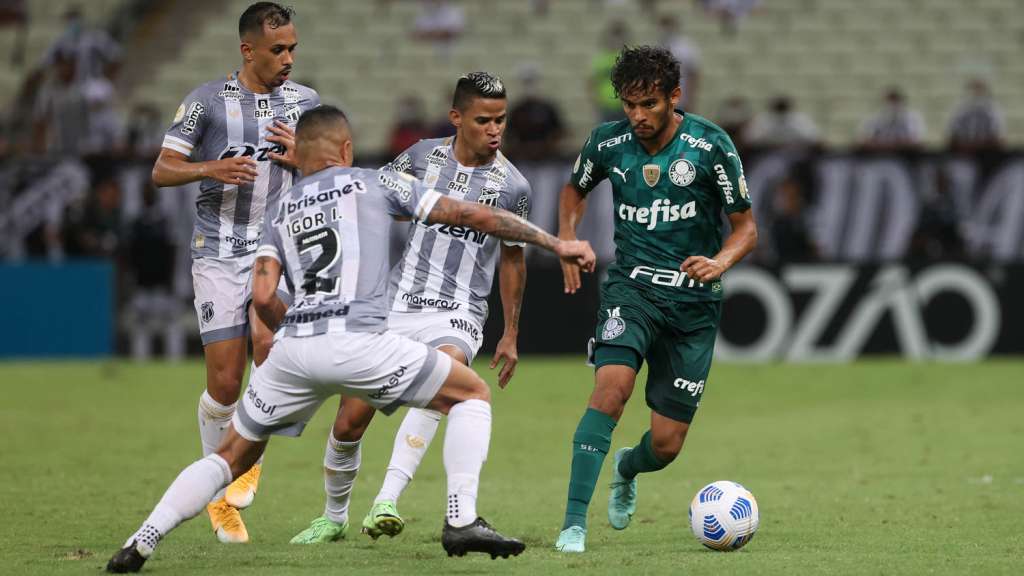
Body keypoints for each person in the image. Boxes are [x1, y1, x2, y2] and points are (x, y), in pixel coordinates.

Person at [105, 104, 596, 573]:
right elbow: (474, 216)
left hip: (294, 349)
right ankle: (461, 518)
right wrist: (557, 243)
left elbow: (262, 295)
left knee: (229, 456)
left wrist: (294, 332)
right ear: (345, 150)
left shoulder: (282, 209)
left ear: (299, 155)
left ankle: (143, 537)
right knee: (472, 393)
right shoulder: (377, 181)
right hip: (361, 340)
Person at [289, 72, 532, 544]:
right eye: (484, 119)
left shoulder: (513, 186)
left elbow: (512, 259)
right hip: (395, 304)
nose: (495, 129)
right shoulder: (422, 156)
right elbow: (378, 198)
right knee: (349, 420)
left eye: (501, 119)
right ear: (457, 118)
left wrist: (511, 332)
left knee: (447, 375)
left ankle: (387, 499)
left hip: (458, 310)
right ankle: (334, 516)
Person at [553, 45, 757, 553]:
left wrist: (720, 262)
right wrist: (567, 238)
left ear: (674, 97)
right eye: (629, 104)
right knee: (611, 389)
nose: (638, 116)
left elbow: (746, 228)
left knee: (665, 446)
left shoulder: (710, 146)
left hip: (693, 304)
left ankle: (627, 466)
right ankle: (573, 524)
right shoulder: (608, 142)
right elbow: (573, 191)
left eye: (649, 104)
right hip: (633, 288)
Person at [150, 2, 319, 544]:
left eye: (293, 47)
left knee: (269, 349)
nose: (289, 58)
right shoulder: (206, 103)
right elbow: (161, 169)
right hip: (219, 251)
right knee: (224, 384)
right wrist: (210, 167)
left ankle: (250, 457)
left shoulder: (306, 103)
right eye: (278, 50)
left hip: (279, 248)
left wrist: (305, 159)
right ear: (248, 50)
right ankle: (219, 498)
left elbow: (337, 165)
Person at [859, 88, 926, 152]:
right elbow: (865, 140)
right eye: (889, 101)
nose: (892, 105)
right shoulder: (876, 119)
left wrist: (889, 144)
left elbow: (914, 142)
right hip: (880, 155)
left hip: (905, 156)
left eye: (895, 101)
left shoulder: (912, 118)